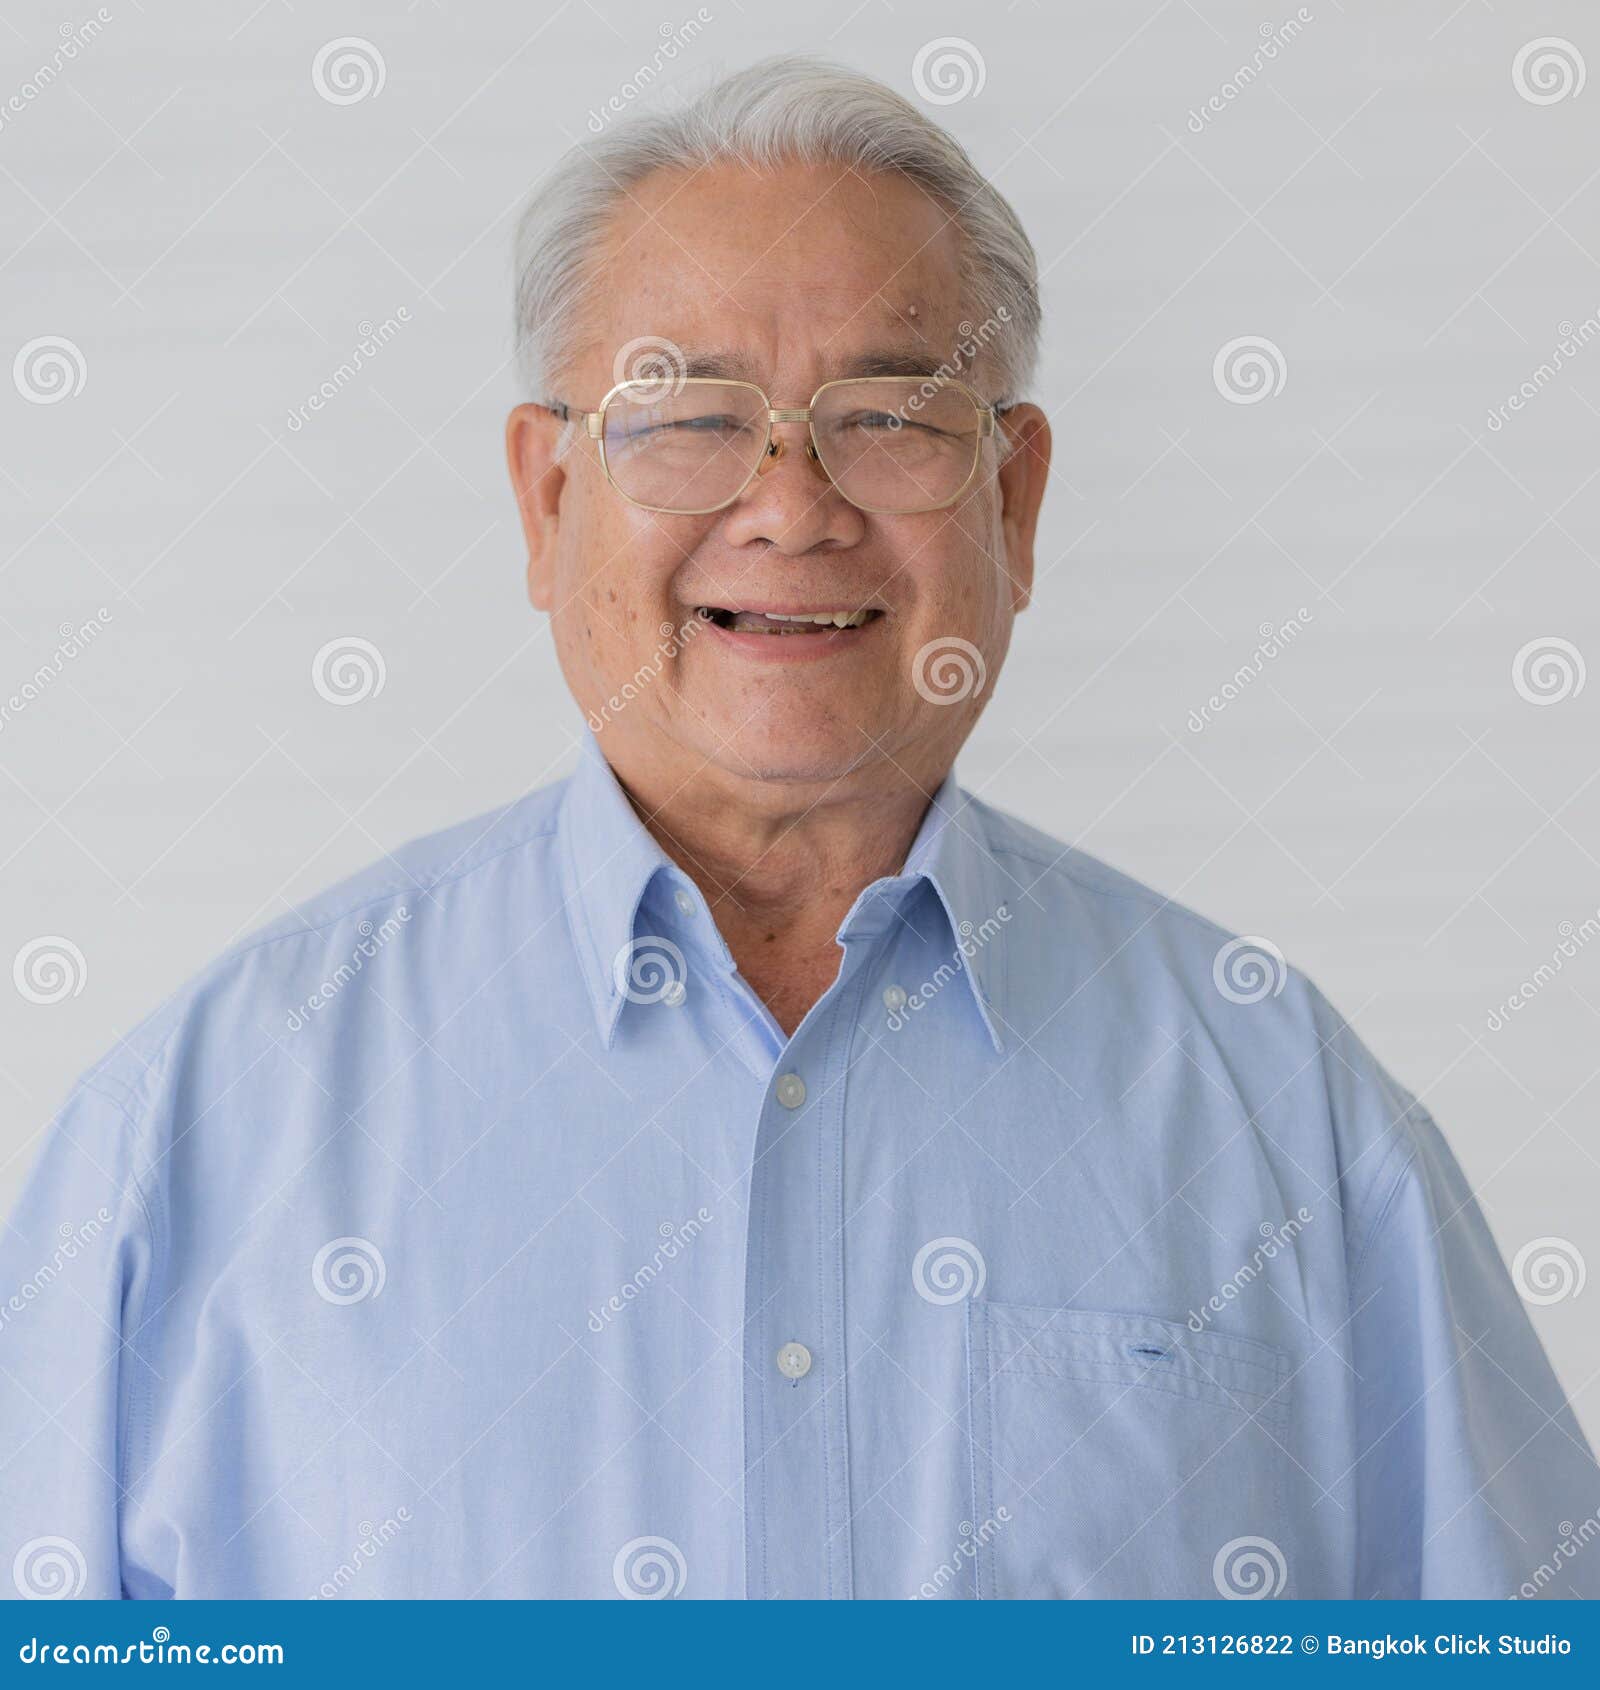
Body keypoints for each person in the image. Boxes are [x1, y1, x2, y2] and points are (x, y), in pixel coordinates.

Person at [3, 54, 1594, 1602]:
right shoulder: (201, 1128)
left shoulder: (1278, 1101)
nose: (791, 503)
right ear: (546, 502)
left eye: (889, 413)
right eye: (685, 413)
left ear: (1014, 501)